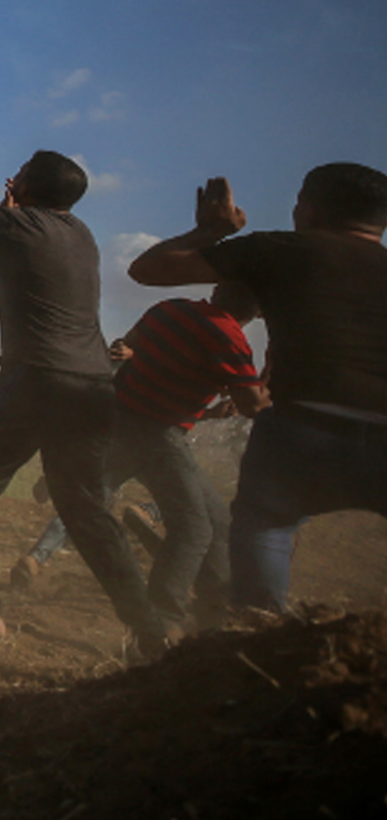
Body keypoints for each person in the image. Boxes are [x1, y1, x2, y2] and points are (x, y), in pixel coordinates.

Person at [0, 151, 167, 654]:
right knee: (86, 511)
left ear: (27, 186)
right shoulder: (80, 233)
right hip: (94, 384)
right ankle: (150, 631)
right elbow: (26, 249)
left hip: (38, 377)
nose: (14, 175)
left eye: (21, 171)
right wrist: (12, 209)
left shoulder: (12, 223)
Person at [127, 164, 387, 613]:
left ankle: (259, 625)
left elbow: (148, 269)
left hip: (304, 426)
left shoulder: (279, 249)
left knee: (268, 523)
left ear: (310, 209)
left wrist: (210, 231)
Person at [99, 283, 269, 633]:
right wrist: (273, 372)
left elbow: (130, 350)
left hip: (123, 422)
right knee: (193, 529)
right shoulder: (231, 339)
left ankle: (214, 614)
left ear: (218, 288)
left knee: (217, 520)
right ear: (262, 313)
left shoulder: (169, 309)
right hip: (158, 435)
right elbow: (253, 406)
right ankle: (160, 626)